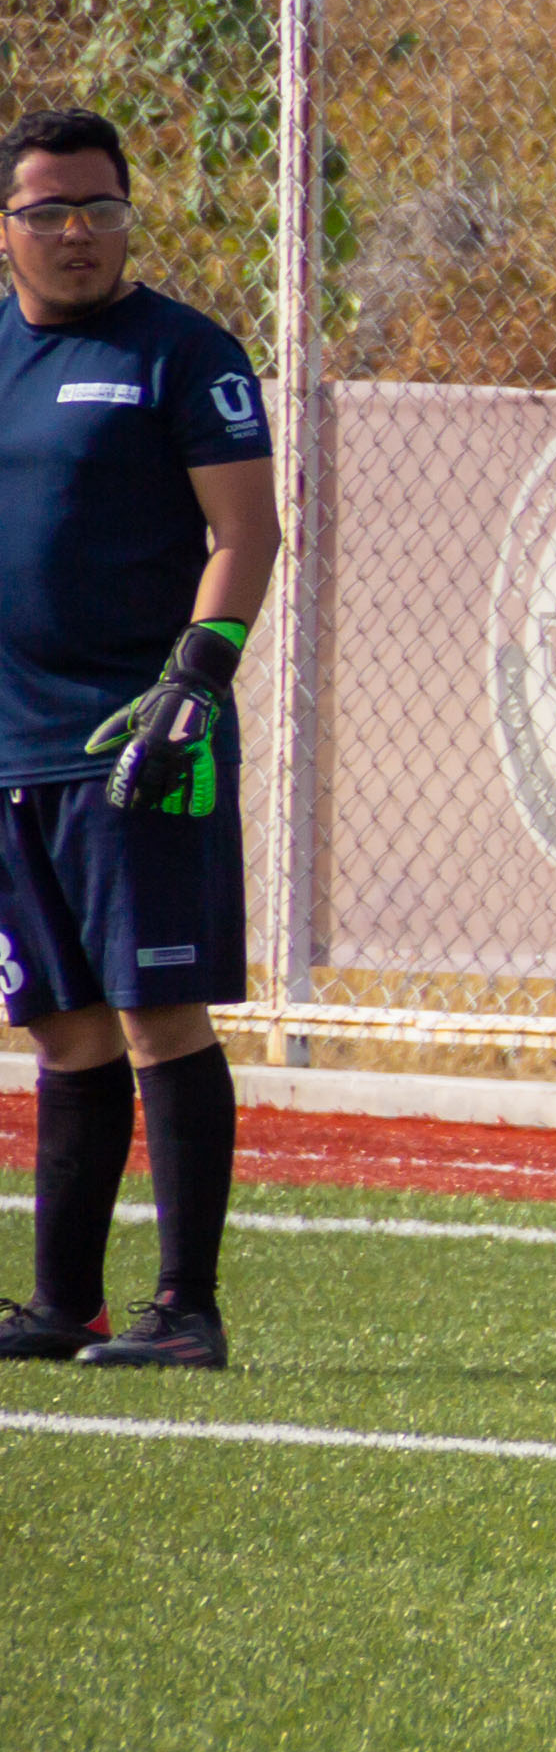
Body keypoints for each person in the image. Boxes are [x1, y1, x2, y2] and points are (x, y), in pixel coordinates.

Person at [0, 105, 276, 1370]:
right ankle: (63, 1305)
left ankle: (187, 1309)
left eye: (100, 211)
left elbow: (247, 536)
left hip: (134, 743)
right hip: (11, 757)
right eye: (49, 212)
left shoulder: (184, 354)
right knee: (62, 1029)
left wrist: (195, 684)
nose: (76, 235)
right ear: (8, 227)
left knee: (161, 1015)